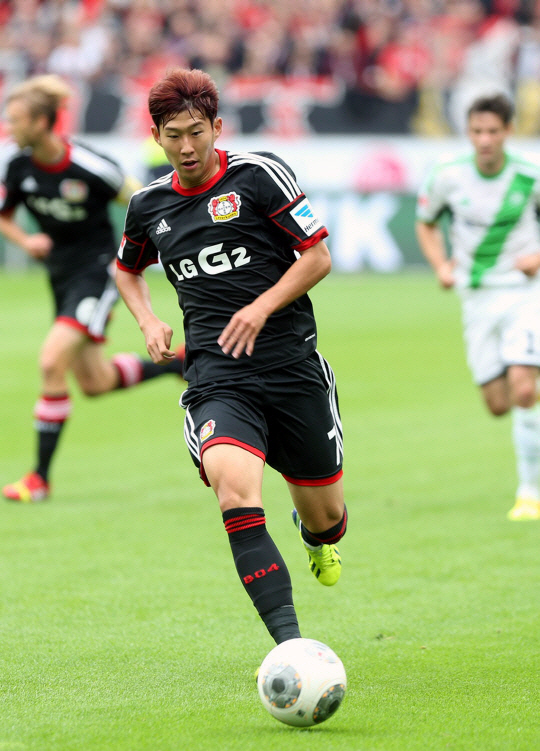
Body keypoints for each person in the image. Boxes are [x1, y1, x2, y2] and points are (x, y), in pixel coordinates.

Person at [115, 67, 347, 645]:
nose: (186, 147)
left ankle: (315, 537)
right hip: (217, 379)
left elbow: (317, 257)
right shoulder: (148, 205)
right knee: (235, 494)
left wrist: (260, 307)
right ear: (156, 136)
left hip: (291, 368)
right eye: (173, 135)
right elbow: (125, 269)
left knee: (328, 521)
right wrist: (148, 319)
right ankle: (291, 649)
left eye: (196, 132)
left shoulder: (258, 176)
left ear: (217, 127)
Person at [0, 74, 185, 503]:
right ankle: (177, 364)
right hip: (60, 277)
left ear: (42, 122)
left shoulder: (89, 165)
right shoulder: (19, 165)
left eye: (17, 119)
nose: (10, 127)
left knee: (51, 362)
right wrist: (26, 242)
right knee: (94, 382)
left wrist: (169, 244)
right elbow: (5, 215)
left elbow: (143, 200)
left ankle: (39, 480)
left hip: (99, 272)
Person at [416, 92, 540, 521]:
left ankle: (529, 494)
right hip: (476, 297)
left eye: (493, 131)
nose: (485, 139)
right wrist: (440, 265)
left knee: (523, 390)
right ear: (468, 132)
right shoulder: (448, 175)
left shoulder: (529, 174)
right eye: (477, 131)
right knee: (498, 404)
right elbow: (426, 223)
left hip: (525, 293)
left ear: (508, 131)